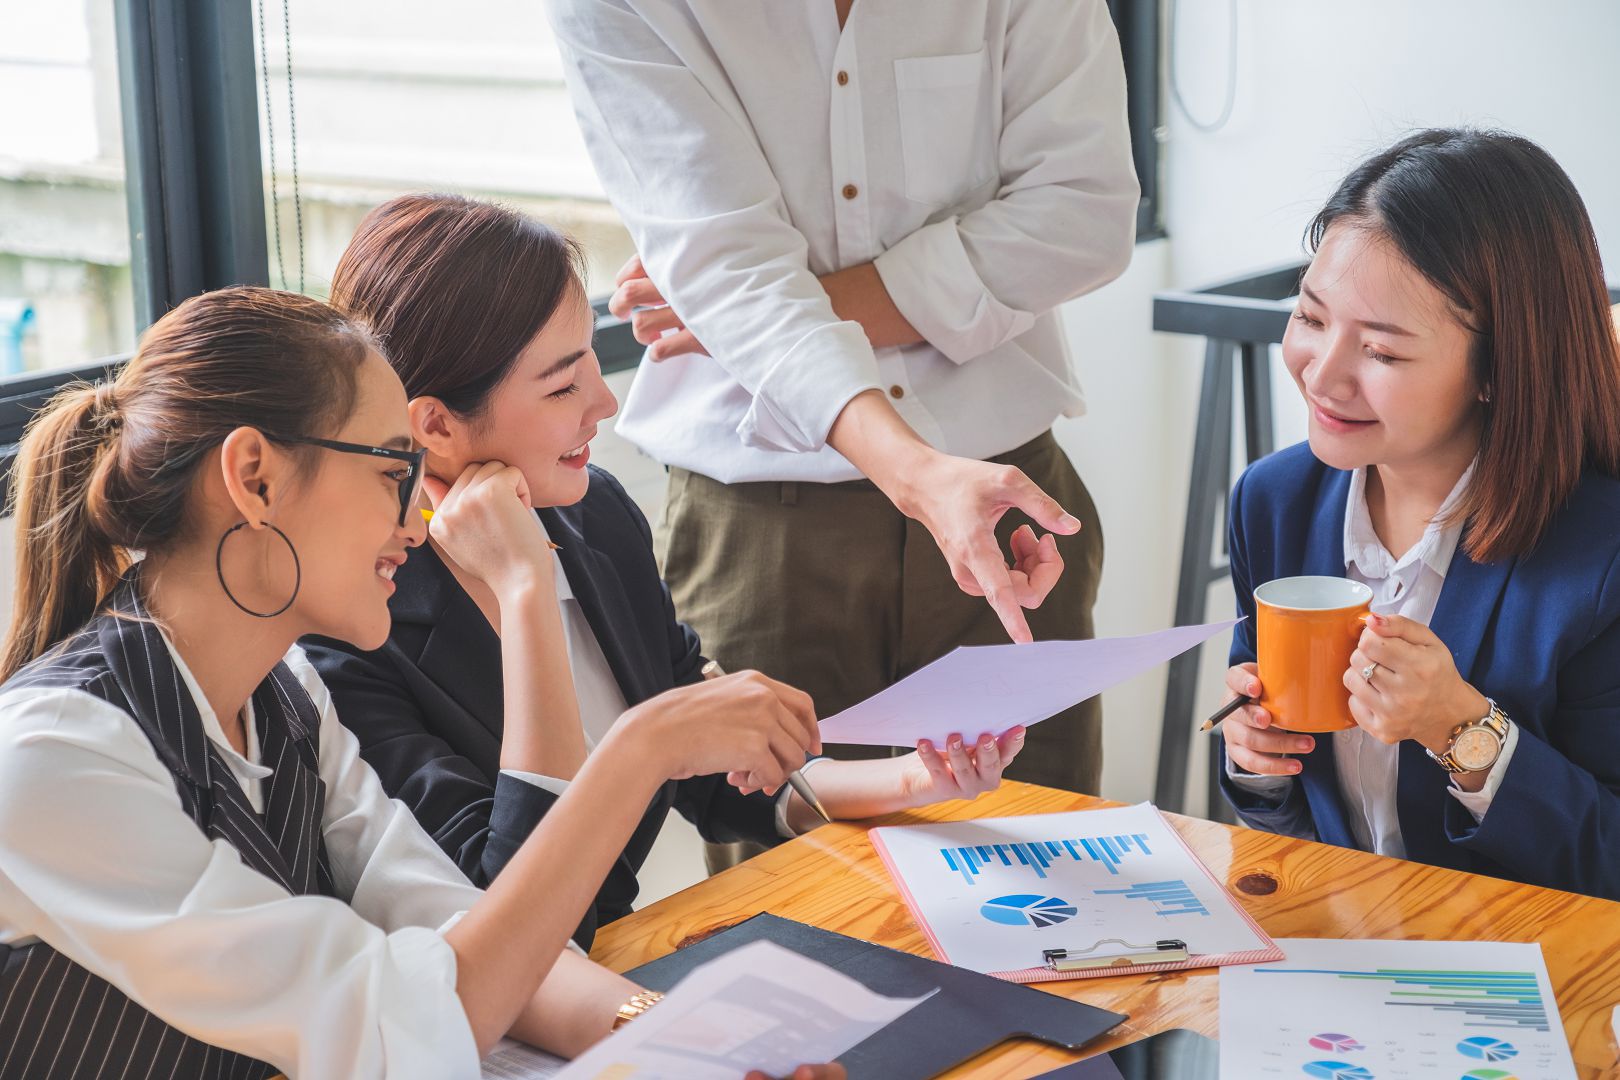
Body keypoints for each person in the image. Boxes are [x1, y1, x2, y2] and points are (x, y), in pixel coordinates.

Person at [0, 287, 836, 1077]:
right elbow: (409, 1013)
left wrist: (694, 1041)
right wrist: (641, 749)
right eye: (391, 472)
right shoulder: (55, 760)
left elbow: (471, 940)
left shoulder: (290, 702)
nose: (416, 520)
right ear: (254, 477)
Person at [304, 193, 1029, 946]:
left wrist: (912, 780)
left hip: (618, 970)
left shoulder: (592, 519)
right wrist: (524, 595)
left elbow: (710, 771)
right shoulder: (347, 634)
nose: (605, 402)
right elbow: (512, 920)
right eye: (561, 386)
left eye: (591, 360)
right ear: (435, 426)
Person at [543, 0, 1140, 801]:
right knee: (793, 892)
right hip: (764, 534)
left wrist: (774, 301)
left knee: (1056, 882)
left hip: (1003, 503)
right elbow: (729, 267)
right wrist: (738, 298)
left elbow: (1087, 214)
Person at [1217, 129, 1620, 900]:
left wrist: (1462, 730)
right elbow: (1287, 826)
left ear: (1499, 370)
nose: (1323, 376)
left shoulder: (1600, 559)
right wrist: (1255, 759)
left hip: (1532, 969)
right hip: (1338, 945)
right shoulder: (1273, 502)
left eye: (1383, 352)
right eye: (1310, 317)